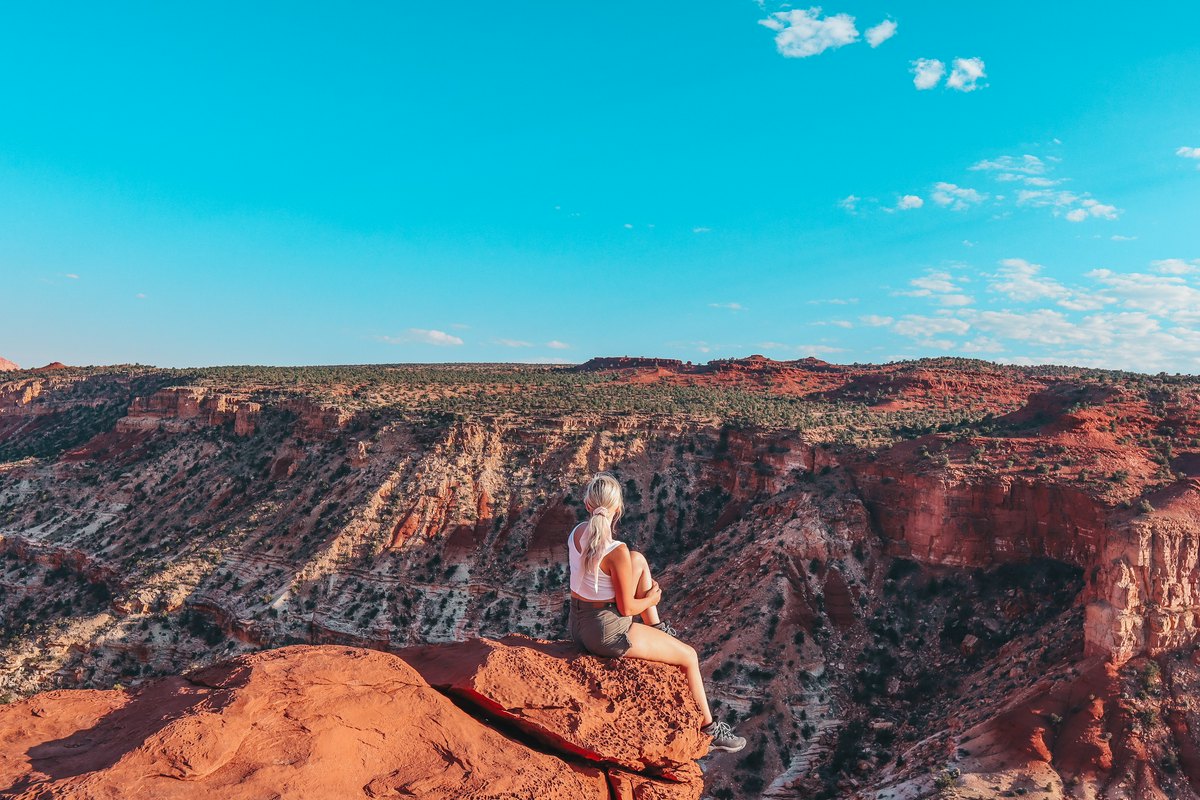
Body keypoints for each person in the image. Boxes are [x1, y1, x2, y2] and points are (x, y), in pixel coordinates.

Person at [567, 471, 746, 753]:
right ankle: (711, 731)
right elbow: (627, 608)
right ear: (618, 509)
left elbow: (605, 579)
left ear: (588, 504)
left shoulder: (577, 532)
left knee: (640, 561)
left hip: (577, 623)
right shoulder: (616, 551)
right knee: (689, 656)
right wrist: (653, 596)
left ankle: (659, 629)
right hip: (604, 632)